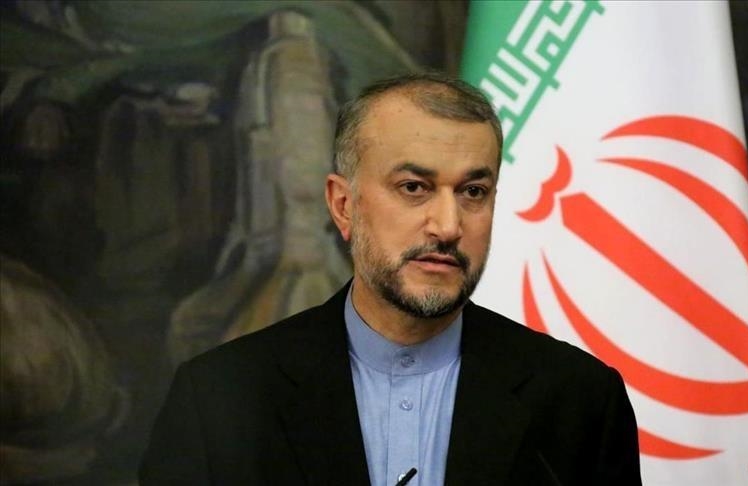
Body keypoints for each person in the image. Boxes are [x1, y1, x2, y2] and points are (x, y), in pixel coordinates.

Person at [140, 73, 641, 485]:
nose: (448, 226)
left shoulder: (580, 401)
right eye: (414, 187)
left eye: (473, 191)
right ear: (344, 206)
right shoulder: (217, 398)